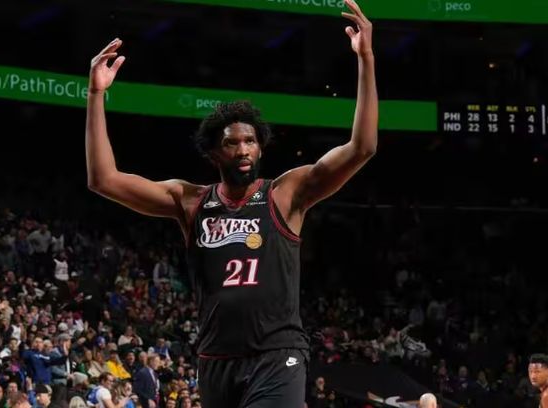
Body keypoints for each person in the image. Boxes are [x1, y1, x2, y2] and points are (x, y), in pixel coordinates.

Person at [84, 0, 377, 406]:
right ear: (214, 154)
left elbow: (362, 147)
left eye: (250, 141)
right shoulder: (190, 201)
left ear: (261, 147)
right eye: (232, 143)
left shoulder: (285, 193)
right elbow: (103, 180)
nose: (243, 149)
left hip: (277, 356)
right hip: (216, 361)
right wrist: (95, 94)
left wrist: (365, 58)